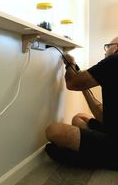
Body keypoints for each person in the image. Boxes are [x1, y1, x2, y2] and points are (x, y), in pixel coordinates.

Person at [45, 36, 118, 170]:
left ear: (116, 48)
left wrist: (70, 63)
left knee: (53, 131)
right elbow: (103, 115)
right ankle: (99, 154)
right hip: (113, 129)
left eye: (108, 46)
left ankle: (107, 159)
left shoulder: (114, 61)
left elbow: (72, 83)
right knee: (79, 117)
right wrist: (83, 86)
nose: (105, 51)